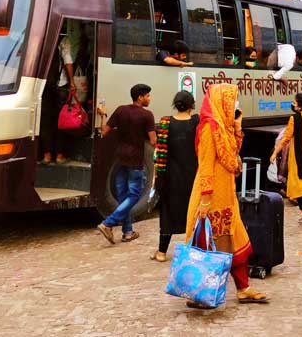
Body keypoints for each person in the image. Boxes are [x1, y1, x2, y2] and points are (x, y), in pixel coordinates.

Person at [186, 84, 268, 306]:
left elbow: (233, 154)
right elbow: (205, 165)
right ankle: (201, 293)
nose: (235, 104)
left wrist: (237, 126)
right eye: (232, 100)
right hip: (210, 197)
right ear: (221, 101)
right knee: (210, 245)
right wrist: (205, 198)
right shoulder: (207, 128)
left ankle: (243, 288)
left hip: (226, 196)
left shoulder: (224, 127)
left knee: (234, 239)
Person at [96, 84, 157, 244]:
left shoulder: (120, 110)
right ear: (140, 97)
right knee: (134, 195)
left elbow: (104, 131)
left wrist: (103, 116)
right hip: (136, 159)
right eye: (148, 96)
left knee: (124, 196)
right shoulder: (147, 115)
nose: (149, 99)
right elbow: (153, 140)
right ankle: (107, 223)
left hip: (120, 157)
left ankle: (128, 232)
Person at [151, 91, 200, 262]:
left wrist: (157, 177)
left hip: (171, 177)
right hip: (194, 176)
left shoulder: (165, 123)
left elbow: (160, 154)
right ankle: (195, 249)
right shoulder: (197, 122)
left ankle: (162, 252)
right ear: (191, 105)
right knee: (193, 212)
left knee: (168, 213)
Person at [271, 93, 302, 225]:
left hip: (298, 160)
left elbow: (285, 138)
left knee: (297, 186)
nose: (293, 104)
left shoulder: (294, 119)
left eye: (295, 102)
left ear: (299, 106)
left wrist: (275, 153)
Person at [40, 24, 79, 164]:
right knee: (62, 121)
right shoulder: (64, 40)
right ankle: (60, 155)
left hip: (43, 86)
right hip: (60, 86)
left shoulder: (41, 38)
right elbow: (68, 61)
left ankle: (47, 155)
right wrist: (72, 82)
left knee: (46, 122)